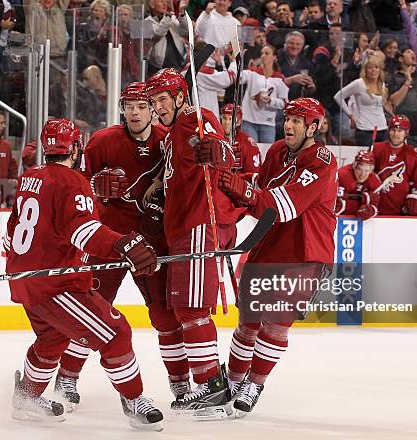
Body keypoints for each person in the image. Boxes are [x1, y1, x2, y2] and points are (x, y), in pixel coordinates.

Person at [5, 117, 164, 429]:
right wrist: (124, 244)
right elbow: (84, 232)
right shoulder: (72, 182)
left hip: (24, 280)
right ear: (75, 148)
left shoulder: (28, 177)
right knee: (116, 331)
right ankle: (133, 401)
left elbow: (13, 231)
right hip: (55, 286)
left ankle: (26, 397)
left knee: (52, 338)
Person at [67, 82, 191, 404]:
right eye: (129, 106)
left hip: (150, 240)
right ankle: (67, 377)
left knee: (164, 314)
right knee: (90, 311)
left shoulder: (168, 141)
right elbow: (76, 187)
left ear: (152, 109)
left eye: (141, 106)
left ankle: (181, 385)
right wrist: (94, 187)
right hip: (108, 239)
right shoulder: (102, 141)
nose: (134, 113)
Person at [216, 98, 337, 416]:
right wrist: (229, 186)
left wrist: (243, 191)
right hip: (268, 246)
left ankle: (254, 384)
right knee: (248, 324)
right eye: (288, 119)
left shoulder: (322, 161)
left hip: (304, 252)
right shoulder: (277, 152)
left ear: (313, 127)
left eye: (298, 120)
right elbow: (258, 195)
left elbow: (286, 205)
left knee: (276, 324)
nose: (289, 125)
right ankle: (232, 381)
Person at [145, 68, 238, 412]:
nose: (158, 107)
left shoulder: (197, 118)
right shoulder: (171, 135)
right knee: (183, 308)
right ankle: (209, 382)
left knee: (192, 309)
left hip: (200, 224)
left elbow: (225, 154)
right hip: (182, 228)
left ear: (181, 96)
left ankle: (211, 386)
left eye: (162, 99)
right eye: (154, 102)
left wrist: (216, 151)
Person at [372, 115, 417, 216]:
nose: (396, 134)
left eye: (400, 131)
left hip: (401, 208)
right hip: (377, 206)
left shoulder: (414, 155)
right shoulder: (376, 149)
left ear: (406, 133)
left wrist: (416, 196)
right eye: (393, 130)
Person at [334, 57, 390, 146]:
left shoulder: (382, 84)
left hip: (382, 128)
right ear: (365, 70)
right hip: (364, 129)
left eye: (376, 67)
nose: (373, 70)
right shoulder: (359, 84)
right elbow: (338, 96)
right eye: (370, 68)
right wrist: (350, 114)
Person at [239, 45, 289, 143]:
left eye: (266, 53)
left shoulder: (279, 78)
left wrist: (271, 101)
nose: (263, 56)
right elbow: (237, 78)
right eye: (262, 53)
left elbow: (285, 103)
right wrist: (237, 60)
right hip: (249, 121)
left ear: (274, 57)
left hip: (268, 124)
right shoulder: (252, 72)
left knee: (267, 155)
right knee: (251, 153)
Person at [144, 0, 189, 75]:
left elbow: (185, 31)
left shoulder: (172, 18)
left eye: (166, 1)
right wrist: (168, 16)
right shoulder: (146, 22)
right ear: (152, 4)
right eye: (161, 1)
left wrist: (182, 13)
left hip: (177, 62)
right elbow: (158, 34)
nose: (165, 4)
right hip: (157, 66)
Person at [335, 150, 381, 220]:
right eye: (360, 169)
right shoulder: (342, 175)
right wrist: (360, 204)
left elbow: (374, 207)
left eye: (366, 171)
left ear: (371, 171)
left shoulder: (375, 181)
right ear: (354, 166)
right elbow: (336, 205)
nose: (362, 175)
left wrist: (371, 210)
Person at [220, 104, 262, 174]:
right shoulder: (216, 139)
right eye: (224, 118)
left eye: (231, 119)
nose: (227, 122)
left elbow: (253, 175)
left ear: (239, 122)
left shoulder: (248, 144)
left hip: (239, 183)